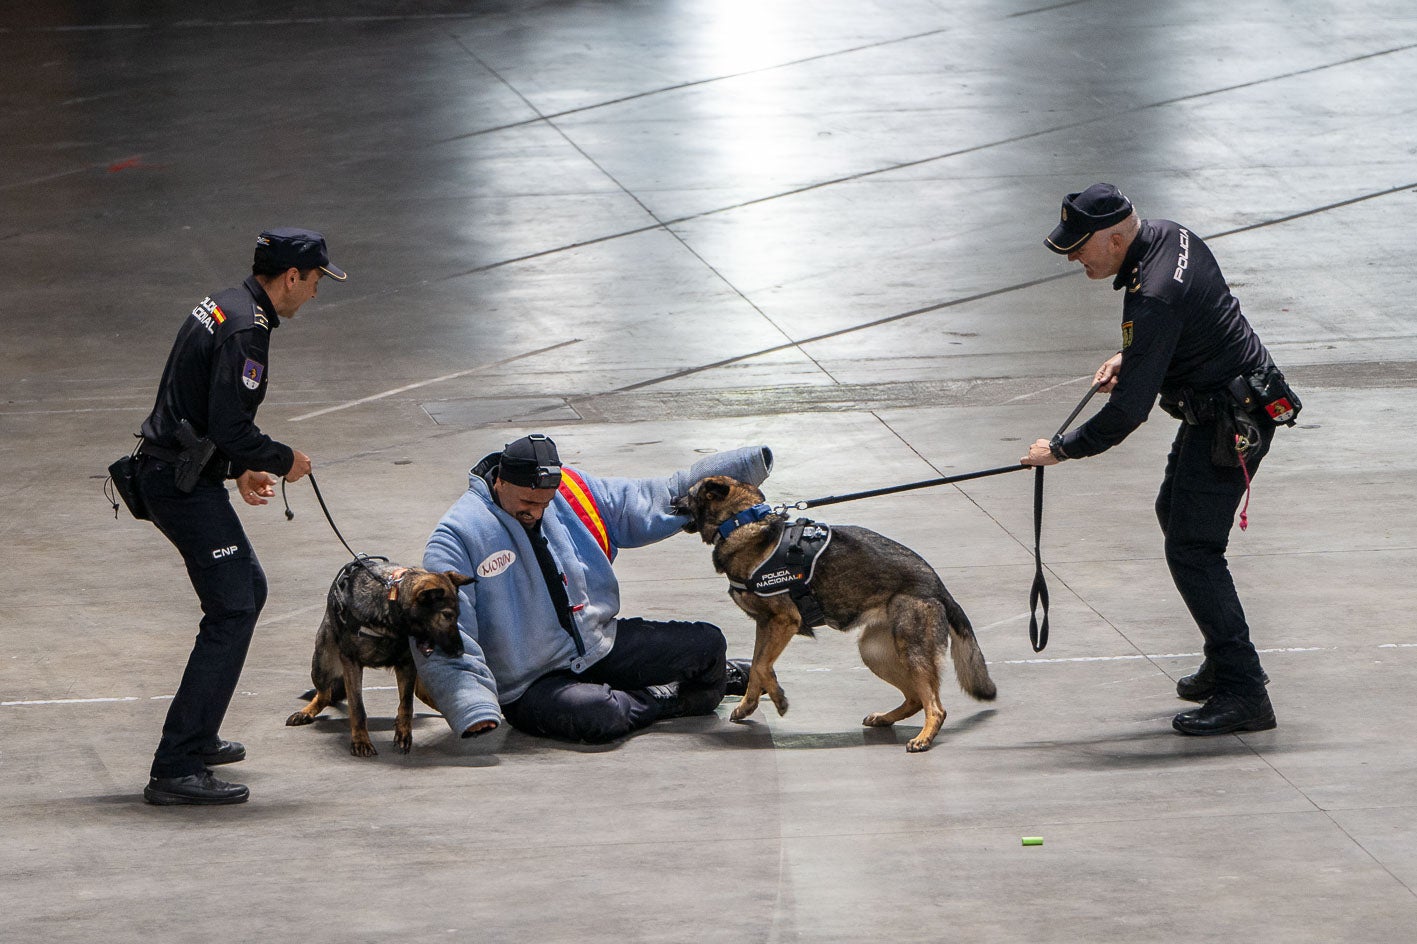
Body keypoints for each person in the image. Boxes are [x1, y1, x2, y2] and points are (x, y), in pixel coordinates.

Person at [1021, 183, 1298, 736]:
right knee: (1173, 514)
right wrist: (1134, 354)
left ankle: (1244, 692)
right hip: (1225, 401)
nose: (1074, 257)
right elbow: (1193, 322)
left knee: (1193, 549)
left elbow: (1126, 415)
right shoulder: (1172, 237)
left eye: (1080, 247)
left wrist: (1061, 449)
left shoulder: (1154, 294)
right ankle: (1226, 661)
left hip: (1231, 421)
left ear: (1119, 236)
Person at [135, 228, 346, 804]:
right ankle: (175, 766)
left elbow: (199, 409)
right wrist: (282, 460)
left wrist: (234, 469)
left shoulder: (225, 304)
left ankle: (198, 737)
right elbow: (231, 426)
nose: (317, 294)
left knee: (247, 589)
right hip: (178, 485)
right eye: (316, 281)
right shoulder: (247, 331)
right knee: (232, 608)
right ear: (292, 277)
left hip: (182, 471)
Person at [415, 434, 772, 744]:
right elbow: (441, 629)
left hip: (598, 645)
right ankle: (665, 697)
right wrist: (471, 703)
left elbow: (656, 496)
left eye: (545, 502)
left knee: (709, 645)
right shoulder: (458, 534)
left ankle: (671, 690)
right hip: (532, 684)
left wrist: (750, 465)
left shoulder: (572, 491)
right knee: (599, 714)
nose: (537, 513)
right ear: (501, 483)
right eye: (527, 503)